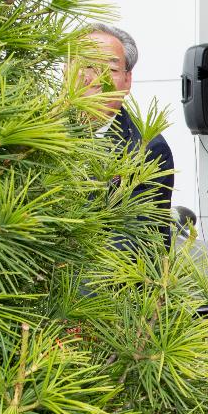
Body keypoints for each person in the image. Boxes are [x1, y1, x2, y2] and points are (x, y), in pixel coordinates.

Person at [78, 23, 175, 249]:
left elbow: (132, 243)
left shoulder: (146, 149)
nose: (98, 79)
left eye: (111, 70)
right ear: (66, 69)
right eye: (88, 65)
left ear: (127, 80)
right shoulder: (38, 129)